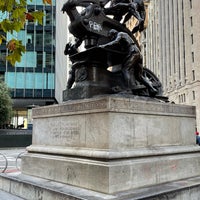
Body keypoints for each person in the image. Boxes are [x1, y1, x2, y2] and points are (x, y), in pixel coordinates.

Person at [99, 29, 158, 96]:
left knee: (125, 70)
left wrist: (104, 45)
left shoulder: (120, 34)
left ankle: (128, 90)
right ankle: (152, 89)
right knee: (139, 76)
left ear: (113, 34)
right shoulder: (124, 38)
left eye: (111, 37)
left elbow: (115, 41)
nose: (111, 38)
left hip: (133, 53)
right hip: (138, 54)